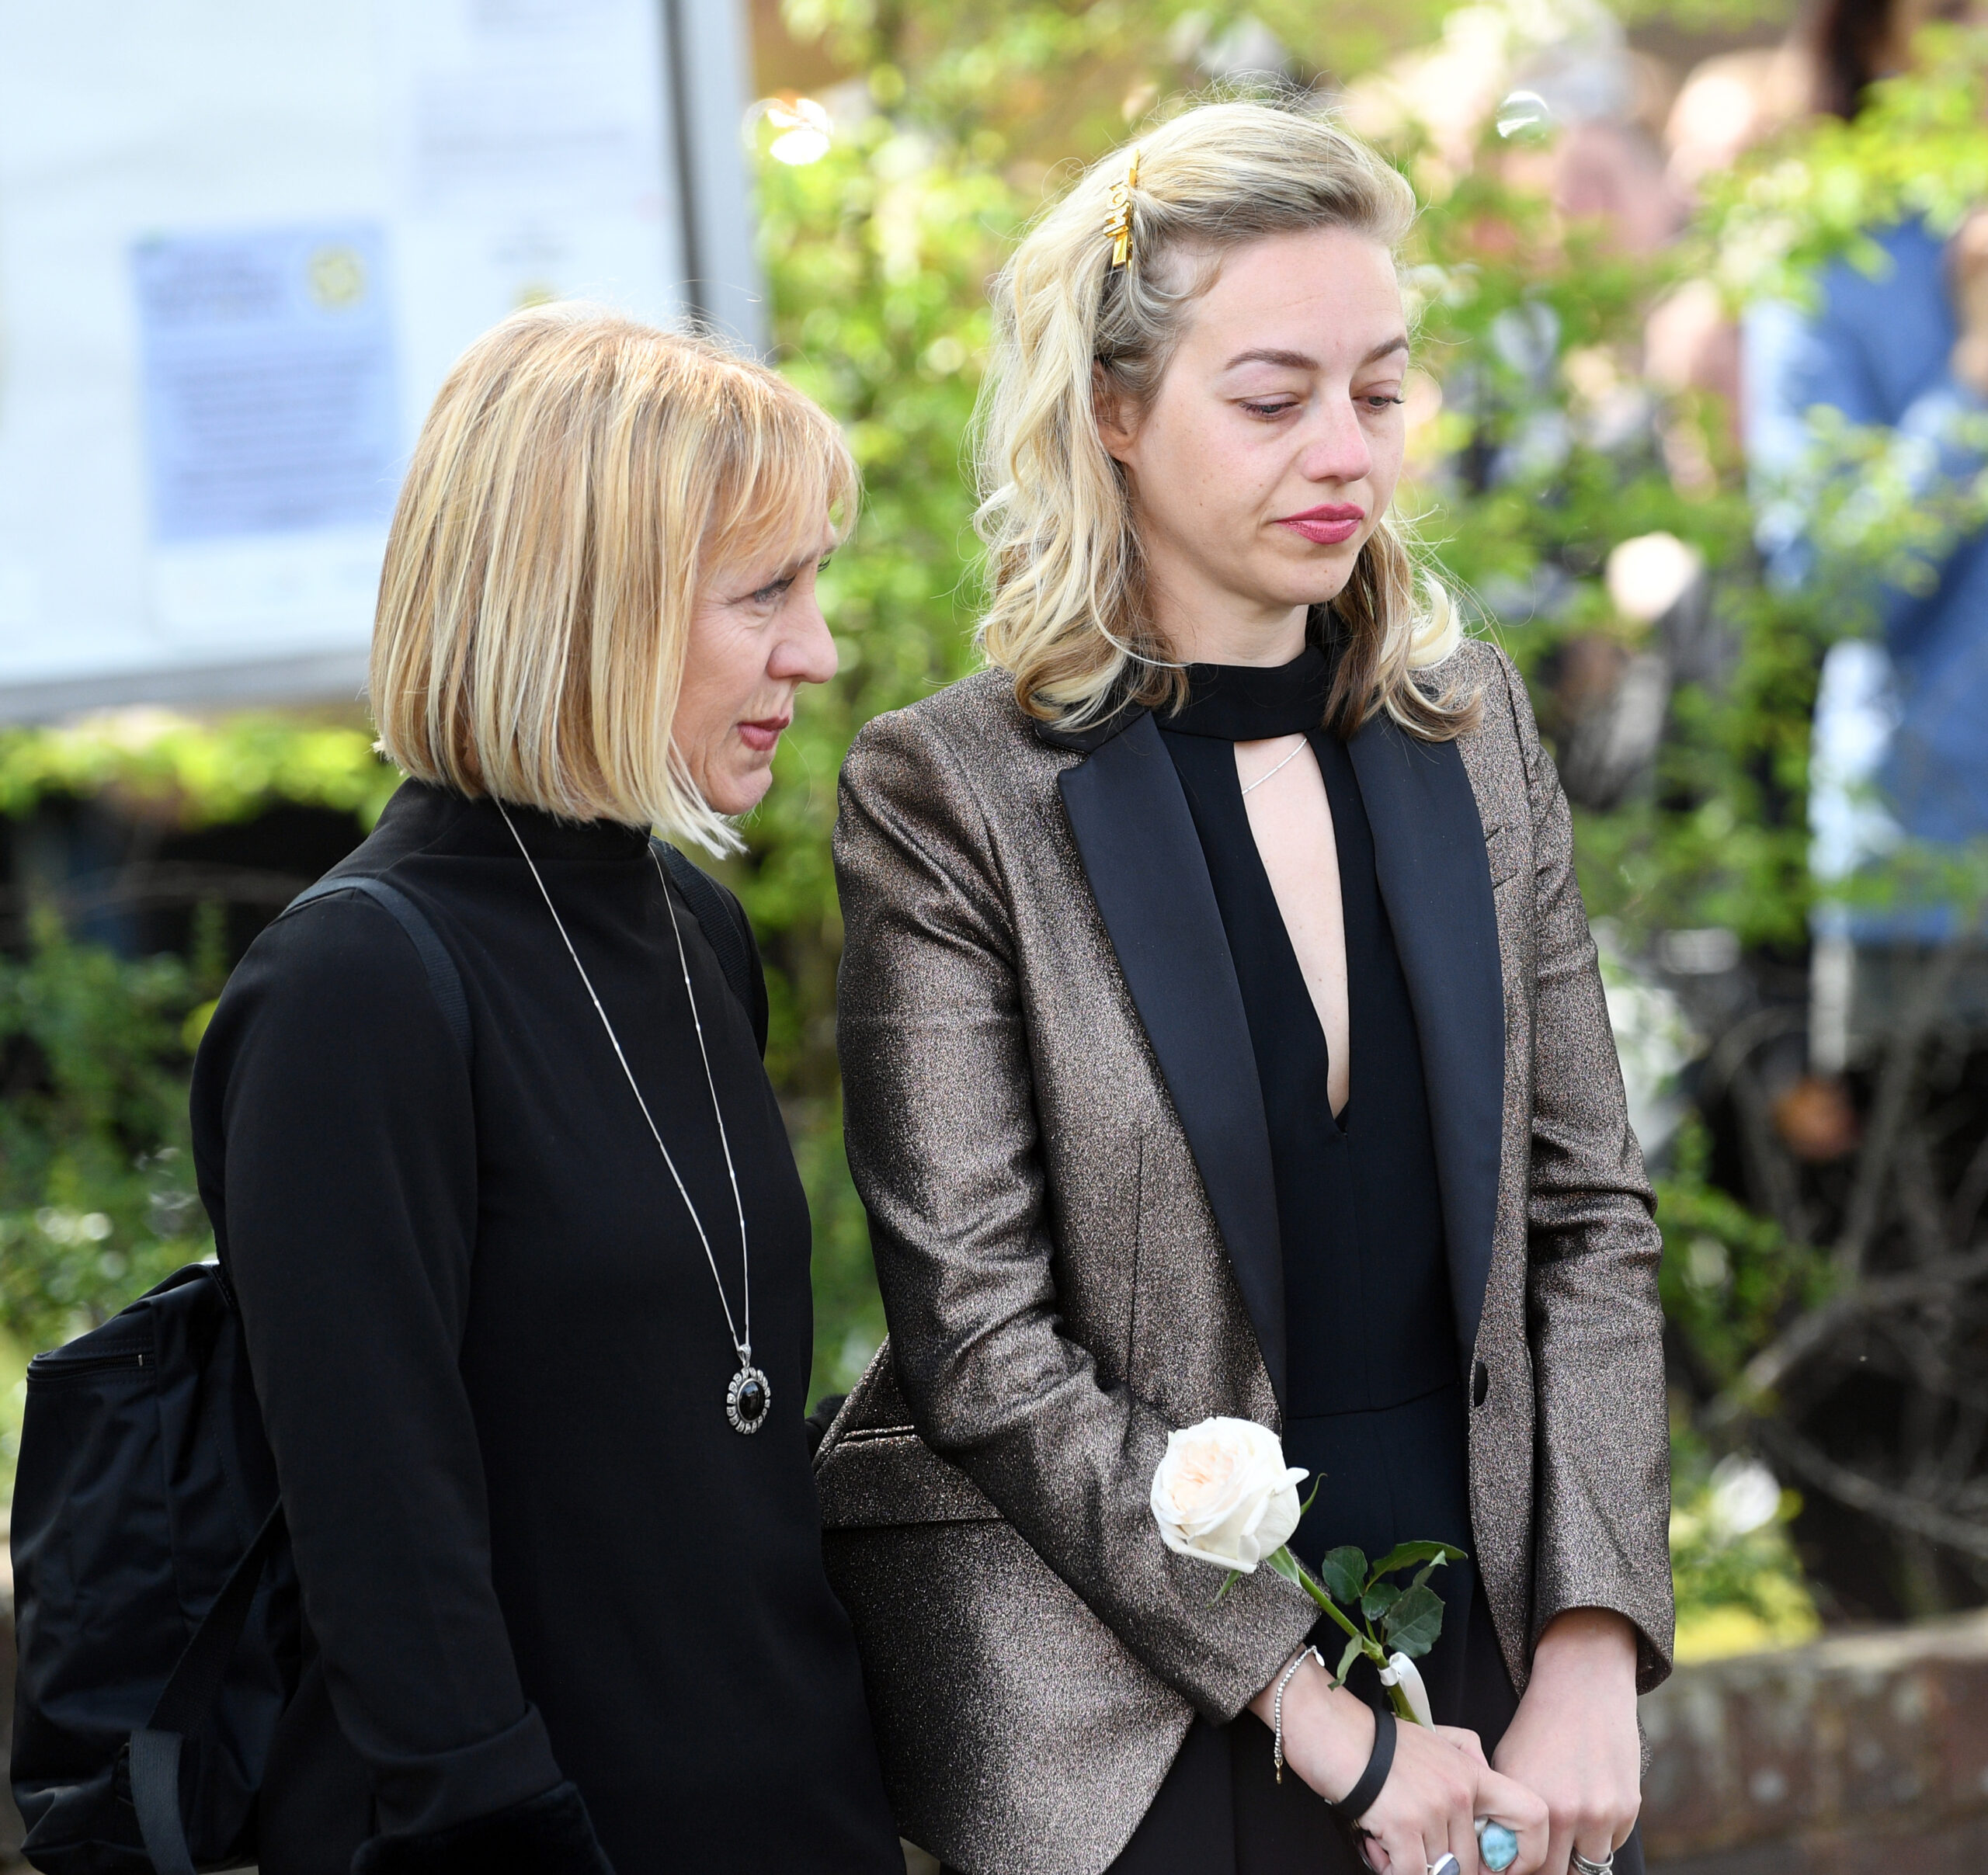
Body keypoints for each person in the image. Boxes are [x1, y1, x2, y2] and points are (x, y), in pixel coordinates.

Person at [815, 102, 1672, 1875]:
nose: (1345, 451)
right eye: (1273, 399)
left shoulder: (1473, 732)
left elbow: (1586, 1212)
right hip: (1141, 1710)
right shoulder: (950, 795)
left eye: (1380, 390)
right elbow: (980, 1340)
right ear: (1112, 412)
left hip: (1501, 1654)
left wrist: (1594, 1637)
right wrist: (1306, 1702)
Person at [189, 305, 903, 1875]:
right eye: (764, 593)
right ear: (594, 605)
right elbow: (386, 1548)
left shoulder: (693, 927)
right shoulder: (356, 987)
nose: (814, 650)